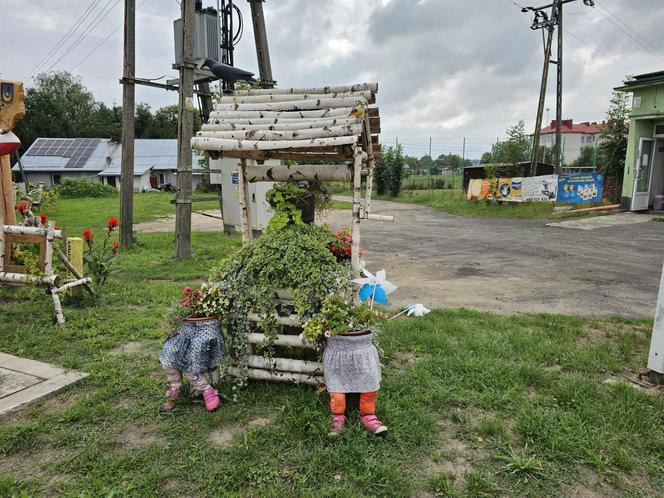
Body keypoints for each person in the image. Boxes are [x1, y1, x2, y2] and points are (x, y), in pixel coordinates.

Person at [323, 331, 388, 436]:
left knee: (368, 387)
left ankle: (368, 416)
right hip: (337, 348)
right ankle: (337, 418)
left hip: (362, 349)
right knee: (337, 390)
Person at [159, 318, 224, 412]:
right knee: (170, 353)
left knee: (191, 363)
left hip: (204, 330)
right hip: (184, 329)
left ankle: (206, 390)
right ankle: (175, 386)